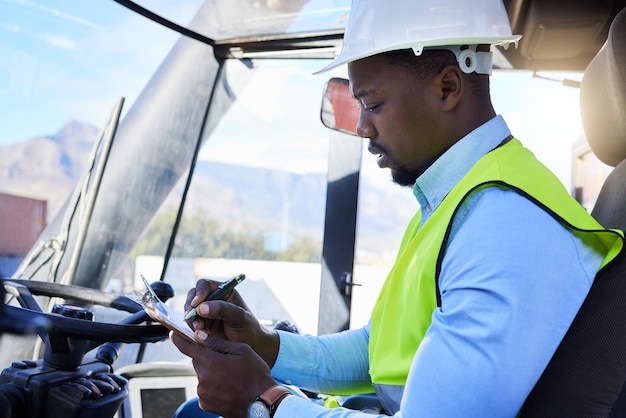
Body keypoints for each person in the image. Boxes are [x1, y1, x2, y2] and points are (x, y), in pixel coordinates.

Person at [171, 0, 624, 417]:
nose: (363, 128)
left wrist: (265, 400)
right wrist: (266, 346)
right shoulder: (460, 197)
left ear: (448, 87)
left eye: (372, 104)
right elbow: (381, 350)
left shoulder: (506, 221)